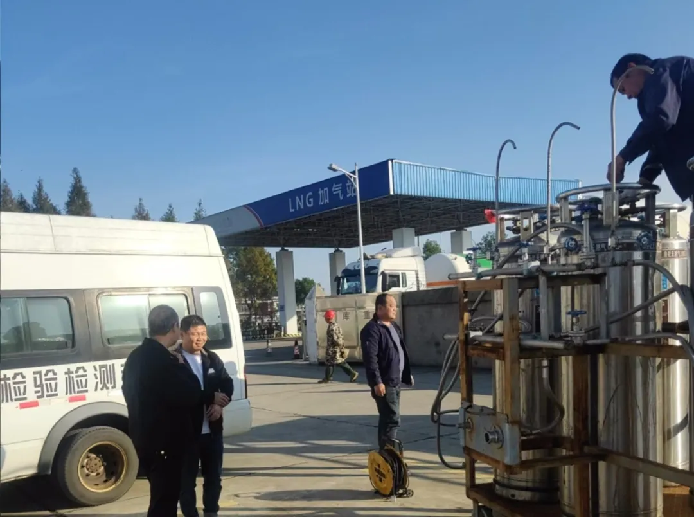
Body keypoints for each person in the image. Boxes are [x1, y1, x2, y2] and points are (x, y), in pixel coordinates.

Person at [122, 305, 229, 517]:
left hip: (144, 438)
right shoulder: (164, 360)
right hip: (164, 444)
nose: (200, 338)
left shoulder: (136, 356)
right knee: (165, 501)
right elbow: (186, 392)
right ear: (175, 328)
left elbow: (129, 390)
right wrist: (208, 395)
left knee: (161, 498)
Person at [606, 53, 694, 203]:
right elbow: (662, 137)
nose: (628, 96)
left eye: (623, 89)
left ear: (632, 68)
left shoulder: (661, 73)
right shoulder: (663, 83)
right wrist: (646, 178)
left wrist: (623, 157)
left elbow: (660, 119)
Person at [176, 315, 234, 518]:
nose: (199, 338)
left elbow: (227, 384)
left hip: (212, 432)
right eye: (194, 334)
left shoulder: (211, 358)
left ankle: (211, 512)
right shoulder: (174, 361)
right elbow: (180, 393)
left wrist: (219, 404)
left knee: (214, 478)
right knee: (186, 482)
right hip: (186, 434)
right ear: (182, 334)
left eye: (203, 334)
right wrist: (210, 396)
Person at [360, 294, 414, 449]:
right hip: (384, 383)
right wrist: (377, 381)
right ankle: (388, 451)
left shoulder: (394, 327)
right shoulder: (372, 330)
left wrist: (406, 375)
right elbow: (370, 358)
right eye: (391, 306)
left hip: (395, 381)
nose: (395, 309)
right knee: (391, 418)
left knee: (388, 418)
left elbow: (399, 352)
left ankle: (386, 451)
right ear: (380, 308)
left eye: (395, 306)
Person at [318, 310, 359, 384]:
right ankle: (327, 377)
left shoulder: (332, 327)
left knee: (337, 362)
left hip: (333, 349)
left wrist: (337, 347)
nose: (325, 319)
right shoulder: (336, 325)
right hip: (335, 348)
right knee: (332, 363)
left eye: (325, 317)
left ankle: (352, 373)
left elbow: (335, 339)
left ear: (328, 318)